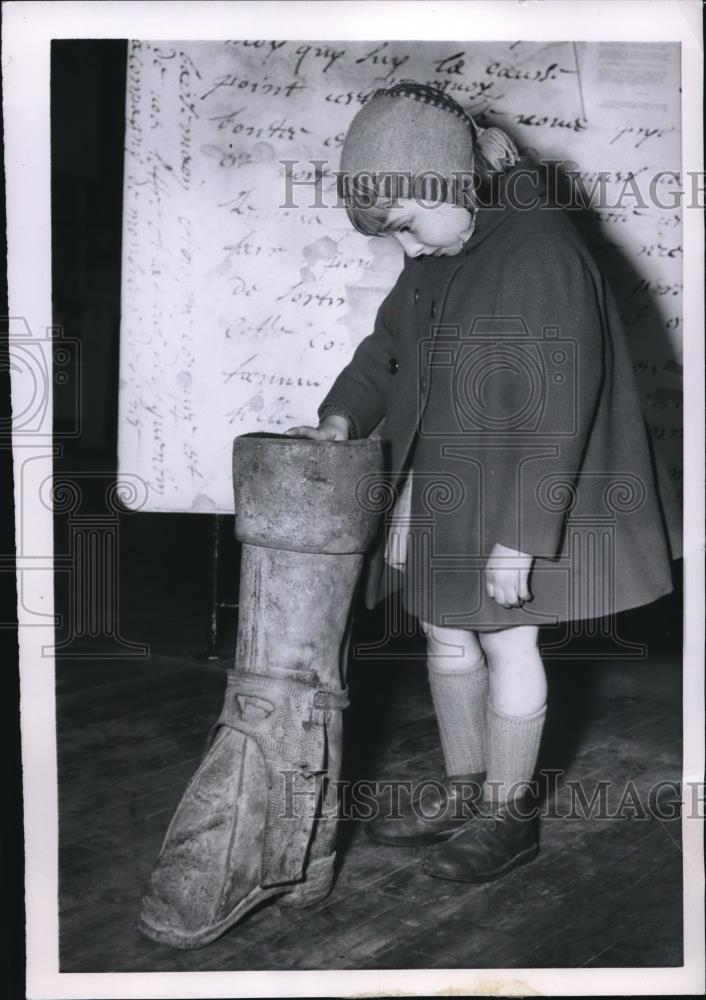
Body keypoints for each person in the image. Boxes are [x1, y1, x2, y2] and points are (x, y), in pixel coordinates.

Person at [285, 81, 681, 883]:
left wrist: (522, 539)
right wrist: (342, 419)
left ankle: (510, 814)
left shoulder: (541, 250)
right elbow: (385, 350)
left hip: (527, 491)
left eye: (406, 226)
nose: (409, 250)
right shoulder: (439, 246)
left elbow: (560, 411)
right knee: (443, 628)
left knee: (508, 636)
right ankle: (466, 786)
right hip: (450, 480)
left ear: (448, 182)